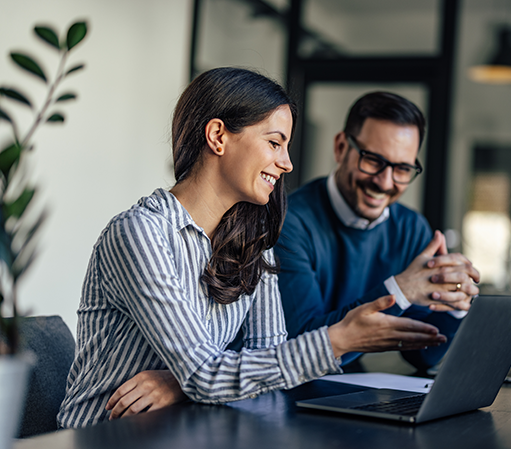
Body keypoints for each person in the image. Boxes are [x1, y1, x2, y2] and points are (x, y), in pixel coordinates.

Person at [57, 68, 447, 428]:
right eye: (275, 143)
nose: (287, 163)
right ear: (218, 136)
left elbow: (269, 361)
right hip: (103, 435)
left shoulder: (252, 241)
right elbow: (206, 374)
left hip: (183, 428)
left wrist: (184, 380)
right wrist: (338, 339)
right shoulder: (140, 234)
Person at [275, 92, 481, 372]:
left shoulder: (411, 228)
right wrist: (400, 292)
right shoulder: (288, 221)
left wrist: (456, 303)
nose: (385, 182)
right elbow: (299, 343)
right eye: (373, 160)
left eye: (402, 169)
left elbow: (422, 355)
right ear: (340, 147)